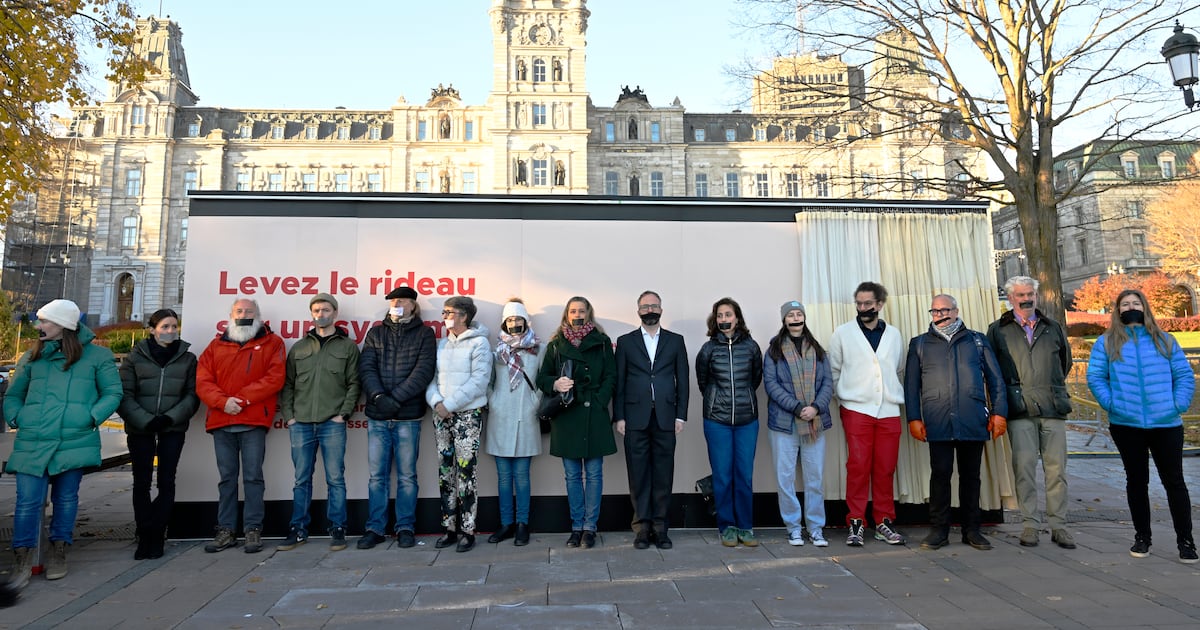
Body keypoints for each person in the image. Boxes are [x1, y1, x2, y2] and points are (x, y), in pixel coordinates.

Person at [3, 299, 121, 589]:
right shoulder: (32, 357)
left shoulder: (97, 357)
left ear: (64, 325)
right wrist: (17, 417)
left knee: (66, 500)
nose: (39, 326)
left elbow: (112, 392)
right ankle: (23, 556)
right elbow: (13, 394)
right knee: (27, 501)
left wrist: (90, 417)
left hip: (74, 438)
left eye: (45, 321)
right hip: (34, 437)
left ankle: (59, 551)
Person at [1087, 289, 1197, 563]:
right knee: (1137, 481)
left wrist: (1178, 405)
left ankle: (1186, 541)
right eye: (1125, 304)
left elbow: (1183, 375)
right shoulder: (1107, 343)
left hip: (1166, 423)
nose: (1131, 307)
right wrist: (1112, 404)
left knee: (1174, 482)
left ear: (1145, 307)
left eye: (1136, 303)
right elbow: (1096, 377)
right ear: (1118, 310)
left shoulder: (1164, 340)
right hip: (1127, 423)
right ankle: (1142, 537)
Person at [905, 294, 1007, 551]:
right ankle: (938, 530)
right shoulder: (919, 344)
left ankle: (971, 530)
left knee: (971, 477)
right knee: (940, 475)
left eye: (946, 310)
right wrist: (914, 417)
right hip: (937, 420)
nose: (941, 315)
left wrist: (999, 413)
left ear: (957, 310)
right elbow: (911, 386)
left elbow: (995, 380)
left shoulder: (977, 340)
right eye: (935, 311)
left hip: (972, 418)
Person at [987, 276, 1075, 549]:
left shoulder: (1053, 327)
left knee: (1057, 470)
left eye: (1030, 294)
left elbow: (1065, 363)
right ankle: (1030, 525)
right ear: (1010, 298)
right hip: (1019, 409)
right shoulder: (998, 330)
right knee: (1023, 468)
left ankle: (1058, 525)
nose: (1026, 299)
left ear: (1036, 297)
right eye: (1020, 294)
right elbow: (992, 371)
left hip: (1052, 407)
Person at [196, 298, 286, 554]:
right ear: (231, 314)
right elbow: (203, 381)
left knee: (253, 478)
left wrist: (243, 400)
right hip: (222, 421)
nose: (243, 314)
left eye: (249, 311)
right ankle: (226, 530)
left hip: (253, 420)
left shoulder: (273, 343)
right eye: (239, 311)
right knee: (226, 479)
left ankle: (252, 530)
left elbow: (275, 378)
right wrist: (223, 403)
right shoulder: (215, 346)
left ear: (258, 315)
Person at [278, 294, 360, 553]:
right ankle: (298, 529)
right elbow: (288, 384)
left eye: (325, 309)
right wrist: (289, 416)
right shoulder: (299, 348)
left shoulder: (347, 347)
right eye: (316, 309)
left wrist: (343, 414)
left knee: (336, 478)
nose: (320, 313)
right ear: (311, 314)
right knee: (301, 479)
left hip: (332, 423)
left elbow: (354, 383)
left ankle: (337, 528)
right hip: (301, 423)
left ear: (335, 313)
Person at [357, 285, 437, 550]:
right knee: (376, 477)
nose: (397, 305)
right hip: (379, 416)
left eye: (402, 301)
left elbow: (423, 371)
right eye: (393, 301)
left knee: (407, 476)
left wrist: (397, 398)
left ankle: (405, 527)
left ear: (413, 305)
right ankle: (375, 528)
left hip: (408, 417)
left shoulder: (425, 334)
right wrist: (380, 397)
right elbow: (366, 367)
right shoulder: (376, 333)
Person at [827, 281, 907, 547]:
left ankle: (884, 520)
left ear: (880, 304)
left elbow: (897, 369)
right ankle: (856, 522)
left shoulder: (894, 335)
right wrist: (845, 398)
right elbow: (834, 370)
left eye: (868, 304)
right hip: (856, 408)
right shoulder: (843, 333)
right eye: (859, 303)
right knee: (858, 466)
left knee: (885, 467)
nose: (863, 308)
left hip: (888, 409)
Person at [118, 308, 200, 560]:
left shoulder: (187, 358)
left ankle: (158, 534)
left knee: (167, 481)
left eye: (174, 326)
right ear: (152, 329)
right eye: (165, 327)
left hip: (172, 428)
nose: (170, 331)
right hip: (140, 428)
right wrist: (145, 420)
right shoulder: (134, 358)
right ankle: (144, 534)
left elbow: (192, 395)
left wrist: (169, 417)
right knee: (141, 482)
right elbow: (124, 395)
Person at [537, 296, 616, 549]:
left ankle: (590, 527)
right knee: (572, 476)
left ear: (589, 313)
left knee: (594, 474)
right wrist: (555, 383)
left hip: (594, 413)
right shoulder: (555, 344)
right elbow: (542, 377)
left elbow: (611, 376)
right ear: (566, 314)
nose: (577, 314)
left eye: (581, 310)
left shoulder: (602, 342)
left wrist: (601, 400)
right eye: (573, 311)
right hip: (567, 414)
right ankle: (576, 527)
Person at [614, 290, 689, 550]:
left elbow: (684, 380)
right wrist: (619, 416)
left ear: (661, 309)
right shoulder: (625, 342)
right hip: (635, 418)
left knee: (663, 474)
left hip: (667, 418)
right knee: (638, 475)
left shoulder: (676, 341)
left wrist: (681, 415)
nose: (650, 310)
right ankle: (642, 528)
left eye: (654, 306)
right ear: (638, 311)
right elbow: (619, 382)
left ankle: (661, 528)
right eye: (645, 306)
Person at [763, 300, 833, 548]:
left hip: (814, 422)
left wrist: (815, 407)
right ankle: (793, 528)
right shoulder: (773, 350)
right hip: (784, 425)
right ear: (784, 320)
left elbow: (828, 383)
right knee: (785, 479)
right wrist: (796, 407)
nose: (795, 318)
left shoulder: (818, 350)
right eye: (790, 315)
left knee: (815, 479)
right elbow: (771, 385)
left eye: (799, 314)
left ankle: (815, 529)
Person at [426, 296, 493, 553]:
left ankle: (468, 530)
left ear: (464, 316)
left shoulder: (479, 344)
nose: (445, 316)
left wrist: (450, 405)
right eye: (444, 312)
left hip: (467, 415)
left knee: (466, 473)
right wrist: (436, 403)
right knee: (446, 472)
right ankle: (449, 528)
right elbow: (431, 378)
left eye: (450, 312)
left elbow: (479, 381)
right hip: (441, 415)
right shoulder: (441, 344)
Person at [696, 297, 762, 547]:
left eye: (728, 315)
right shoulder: (708, 349)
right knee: (723, 475)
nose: (724, 320)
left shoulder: (752, 347)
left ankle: (745, 527)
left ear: (737, 318)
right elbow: (704, 382)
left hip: (747, 420)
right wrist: (719, 402)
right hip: (717, 421)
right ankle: (727, 526)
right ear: (715, 320)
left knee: (743, 474)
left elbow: (755, 379)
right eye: (720, 316)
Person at [486, 299, 543, 547]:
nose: (514, 324)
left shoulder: (538, 349)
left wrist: (534, 401)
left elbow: (543, 381)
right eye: (510, 320)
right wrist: (494, 401)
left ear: (525, 321)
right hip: (500, 418)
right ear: (504, 323)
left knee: (522, 476)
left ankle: (522, 524)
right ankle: (505, 524)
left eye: (518, 319)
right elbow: (486, 383)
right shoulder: (496, 351)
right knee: (503, 477)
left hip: (526, 418)